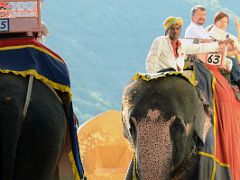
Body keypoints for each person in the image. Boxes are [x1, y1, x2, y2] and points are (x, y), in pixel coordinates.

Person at [145, 16, 230, 73]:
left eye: (177, 28)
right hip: (162, 75)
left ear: (180, 30)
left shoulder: (183, 44)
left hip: (178, 78)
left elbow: (200, 48)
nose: (175, 31)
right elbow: (150, 60)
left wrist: (219, 43)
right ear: (167, 31)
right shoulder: (160, 41)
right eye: (172, 28)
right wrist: (153, 76)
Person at [207, 11, 240, 87]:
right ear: (215, 22)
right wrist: (233, 52)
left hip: (221, 55)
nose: (223, 23)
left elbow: (238, 44)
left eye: (225, 22)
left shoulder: (224, 33)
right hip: (215, 56)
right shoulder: (213, 32)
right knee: (233, 60)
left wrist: (238, 27)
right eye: (220, 21)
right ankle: (237, 79)